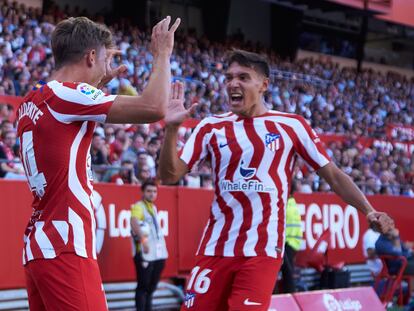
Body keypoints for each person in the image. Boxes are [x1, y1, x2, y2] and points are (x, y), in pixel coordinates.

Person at [158, 49, 394, 311]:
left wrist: (369, 211)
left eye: (243, 77)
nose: (233, 84)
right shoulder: (211, 127)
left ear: (264, 85)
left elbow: (335, 176)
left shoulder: (291, 126)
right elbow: (169, 176)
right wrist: (171, 129)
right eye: (229, 78)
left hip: (261, 252)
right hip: (215, 248)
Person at [17, 15, 180, 311]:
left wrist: (96, 84)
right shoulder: (69, 95)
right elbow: (154, 106)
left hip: (39, 246)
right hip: (66, 244)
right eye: (103, 59)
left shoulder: (32, 100)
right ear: (91, 56)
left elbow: (62, 133)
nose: (106, 66)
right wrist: (163, 53)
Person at [130, 180, 168, 311]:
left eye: (154, 191)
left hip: (157, 254)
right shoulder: (139, 206)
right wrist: (144, 241)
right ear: (143, 192)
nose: (152, 194)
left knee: (151, 289)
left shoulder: (153, 208)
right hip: (144, 254)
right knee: (143, 287)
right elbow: (134, 222)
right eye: (149, 191)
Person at [280, 182, 303, 293]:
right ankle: (289, 292)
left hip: (288, 242)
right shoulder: (292, 203)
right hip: (293, 242)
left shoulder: (286, 204)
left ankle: (290, 292)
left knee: (287, 270)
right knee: (287, 270)